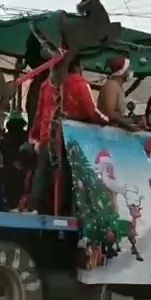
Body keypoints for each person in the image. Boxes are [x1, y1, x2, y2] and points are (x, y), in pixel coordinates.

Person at [23, 56, 108, 213]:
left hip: (46, 137)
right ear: (77, 66)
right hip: (69, 140)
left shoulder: (47, 85)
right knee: (67, 177)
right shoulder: (79, 83)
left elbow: (39, 113)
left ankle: (34, 207)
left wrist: (35, 136)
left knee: (42, 172)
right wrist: (106, 121)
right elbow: (91, 111)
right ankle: (64, 211)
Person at [96, 57, 141, 131]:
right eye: (128, 69)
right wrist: (129, 127)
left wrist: (132, 121)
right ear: (122, 71)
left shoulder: (118, 86)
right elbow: (110, 113)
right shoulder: (112, 86)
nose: (130, 72)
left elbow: (117, 115)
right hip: (107, 132)